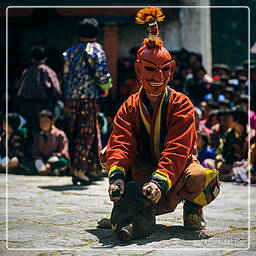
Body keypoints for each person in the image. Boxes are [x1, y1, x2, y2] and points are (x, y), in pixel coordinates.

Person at [98, 8, 220, 231]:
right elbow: (122, 143)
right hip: (142, 167)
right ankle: (124, 207)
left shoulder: (181, 104)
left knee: (202, 176)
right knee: (109, 154)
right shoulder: (129, 106)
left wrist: (158, 182)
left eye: (164, 70)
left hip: (175, 169)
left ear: (172, 71)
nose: (158, 77)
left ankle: (193, 208)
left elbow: (177, 149)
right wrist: (116, 178)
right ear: (138, 69)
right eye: (151, 70)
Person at [63, 18, 112, 185]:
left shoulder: (69, 51)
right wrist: (106, 87)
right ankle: (79, 170)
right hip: (87, 98)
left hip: (70, 99)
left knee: (75, 132)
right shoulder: (95, 49)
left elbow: (65, 75)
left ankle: (91, 168)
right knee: (87, 133)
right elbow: (102, 73)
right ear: (96, 33)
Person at [17, 46, 61, 141]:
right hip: (43, 107)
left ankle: (31, 150)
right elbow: (57, 91)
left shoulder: (26, 72)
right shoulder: (48, 71)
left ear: (32, 58)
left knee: (30, 131)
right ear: (45, 58)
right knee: (43, 130)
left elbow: (19, 91)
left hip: (27, 108)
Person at [32, 110, 70, 176]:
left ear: (52, 121)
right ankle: (46, 171)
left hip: (56, 159)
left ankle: (51, 169)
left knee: (63, 162)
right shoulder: (38, 136)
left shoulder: (60, 134)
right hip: (42, 159)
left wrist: (51, 162)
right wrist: (39, 160)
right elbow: (35, 151)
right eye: (41, 122)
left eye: (46, 121)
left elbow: (64, 150)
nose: (44, 124)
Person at [215, 107, 249, 181]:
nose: (227, 121)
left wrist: (242, 163)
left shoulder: (251, 135)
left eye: (229, 118)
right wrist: (219, 160)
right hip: (230, 164)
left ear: (237, 120)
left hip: (245, 164)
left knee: (245, 168)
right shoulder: (229, 133)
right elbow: (221, 150)